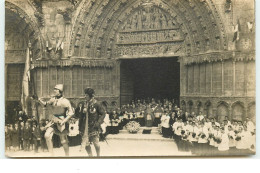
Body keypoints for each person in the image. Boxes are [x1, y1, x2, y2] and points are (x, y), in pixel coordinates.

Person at [38, 84, 75, 156]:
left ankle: (67, 156)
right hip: (53, 121)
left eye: (56, 89)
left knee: (63, 141)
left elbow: (71, 113)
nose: (54, 90)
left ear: (60, 91)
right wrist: (39, 100)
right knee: (47, 135)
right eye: (54, 89)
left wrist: (64, 121)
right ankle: (52, 155)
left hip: (62, 122)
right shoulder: (52, 99)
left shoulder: (66, 101)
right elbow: (45, 105)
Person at [80, 88, 105, 157]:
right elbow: (81, 116)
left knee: (96, 143)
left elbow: (103, 114)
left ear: (91, 96)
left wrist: (98, 122)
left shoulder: (97, 104)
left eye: (87, 95)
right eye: (85, 95)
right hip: (84, 127)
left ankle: (98, 156)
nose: (85, 96)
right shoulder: (83, 104)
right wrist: (80, 126)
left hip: (94, 126)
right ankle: (90, 156)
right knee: (86, 143)